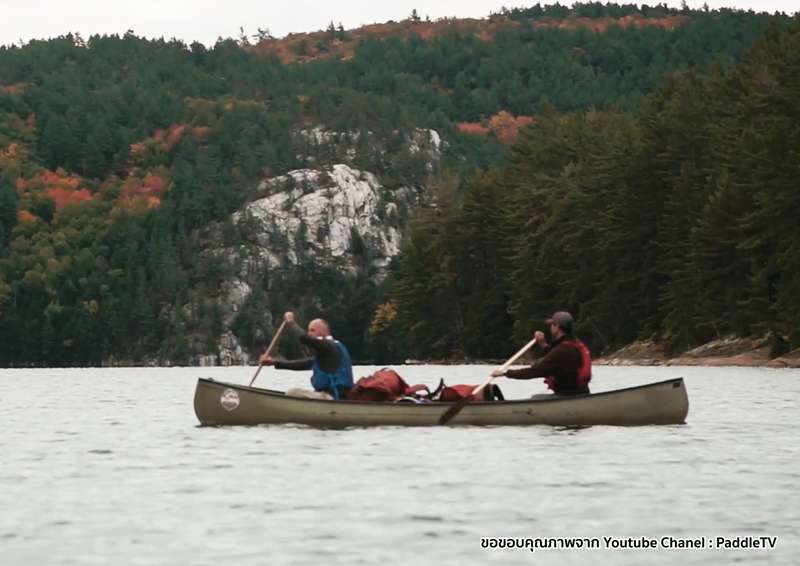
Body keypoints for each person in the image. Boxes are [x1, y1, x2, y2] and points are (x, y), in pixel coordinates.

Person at [491, 311, 592, 397]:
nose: (550, 328)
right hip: (580, 394)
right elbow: (555, 359)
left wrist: (505, 373)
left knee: (535, 398)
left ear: (557, 327)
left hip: (567, 396)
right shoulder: (573, 344)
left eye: (552, 325)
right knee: (538, 397)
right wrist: (543, 344)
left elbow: (535, 371)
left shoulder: (563, 349)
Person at [260, 311, 354, 400]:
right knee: (293, 392)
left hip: (332, 396)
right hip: (326, 395)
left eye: (312, 330)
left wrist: (291, 323)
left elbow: (305, 338)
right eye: (309, 330)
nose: (309, 333)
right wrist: (274, 362)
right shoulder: (325, 352)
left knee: (291, 392)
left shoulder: (330, 346)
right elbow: (302, 364)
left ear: (323, 332)